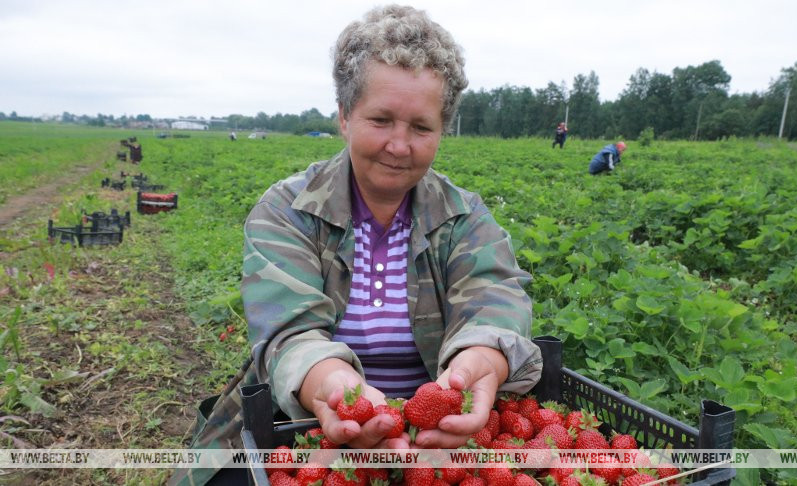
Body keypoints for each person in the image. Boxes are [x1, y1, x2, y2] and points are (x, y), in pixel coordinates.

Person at [169, 5, 541, 484]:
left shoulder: (464, 217)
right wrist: (331, 386)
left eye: (421, 127)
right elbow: (289, 333)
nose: (400, 144)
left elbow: (495, 300)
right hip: (308, 426)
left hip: (441, 436)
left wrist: (478, 366)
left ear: (441, 131)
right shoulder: (290, 210)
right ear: (344, 117)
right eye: (381, 119)